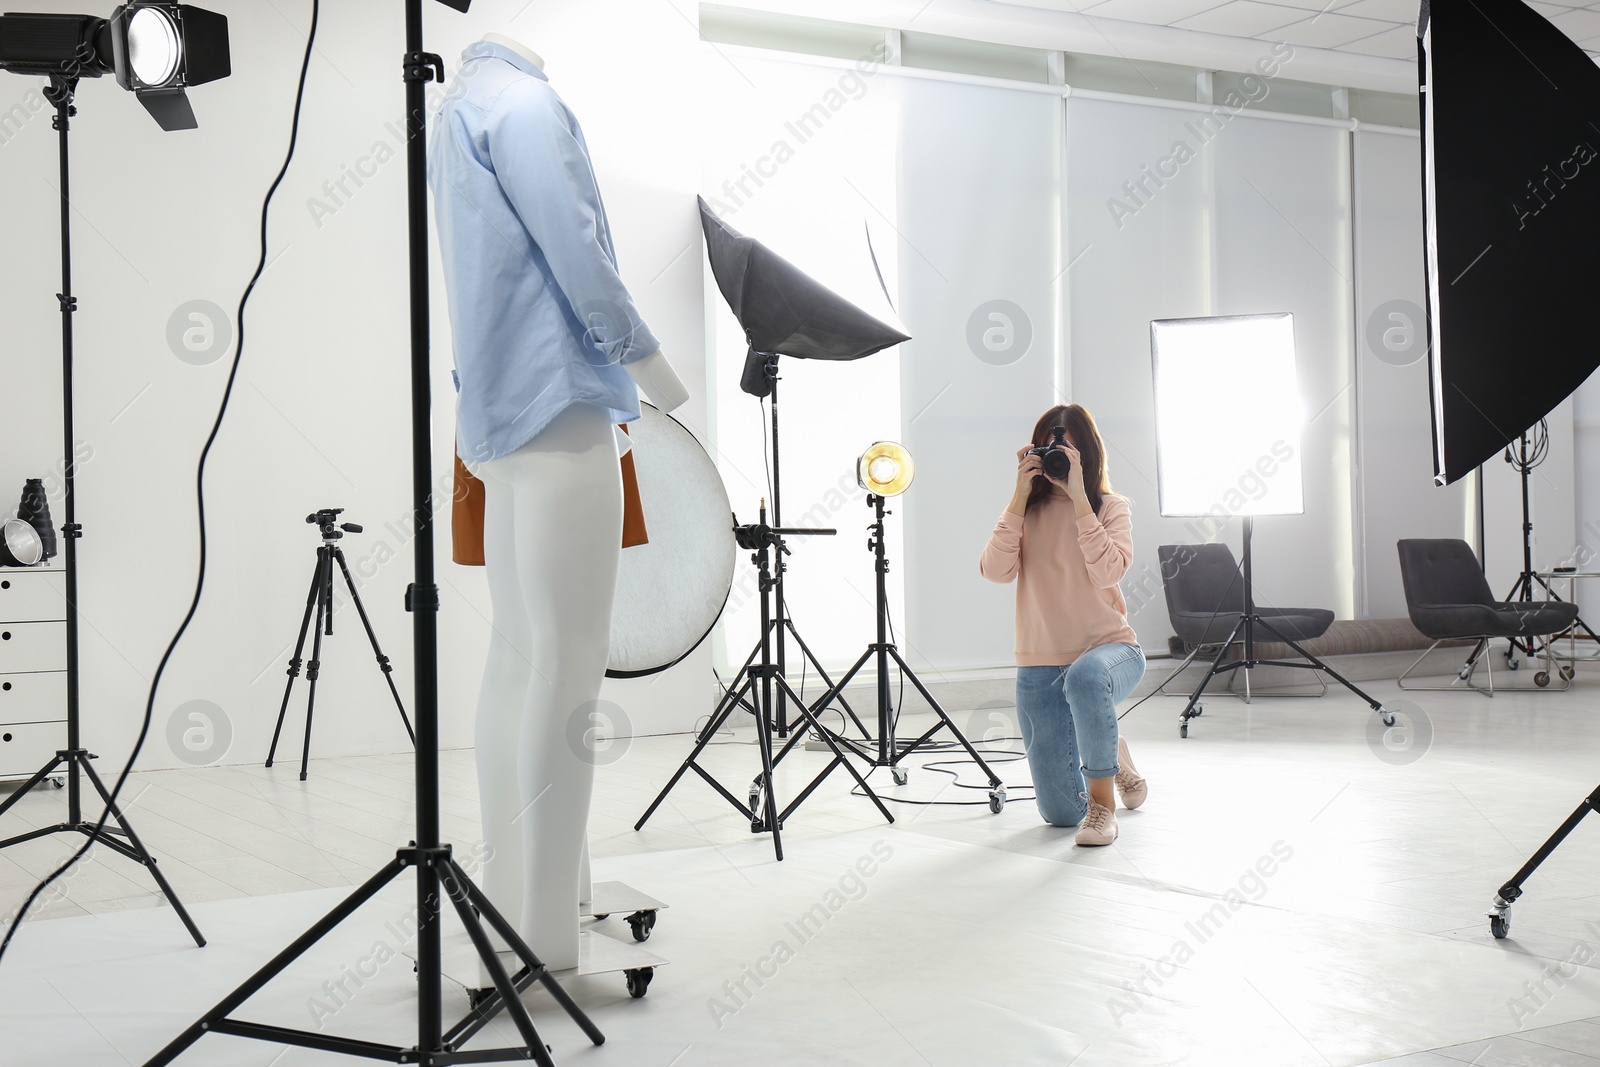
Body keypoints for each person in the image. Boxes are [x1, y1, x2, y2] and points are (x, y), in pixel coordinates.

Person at [979, 404, 1148, 845]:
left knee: (1087, 677)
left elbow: (1107, 572)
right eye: (1049, 449)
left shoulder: (1110, 508)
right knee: (1058, 814)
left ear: (1086, 456)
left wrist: (1078, 500)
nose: (1057, 459)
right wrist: (1018, 495)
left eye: (1067, 451)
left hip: (1109, 653)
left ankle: (1103, 809)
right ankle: (1113, 751)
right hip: (1040, 665)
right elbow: (994, 571)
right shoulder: (1024, 511)